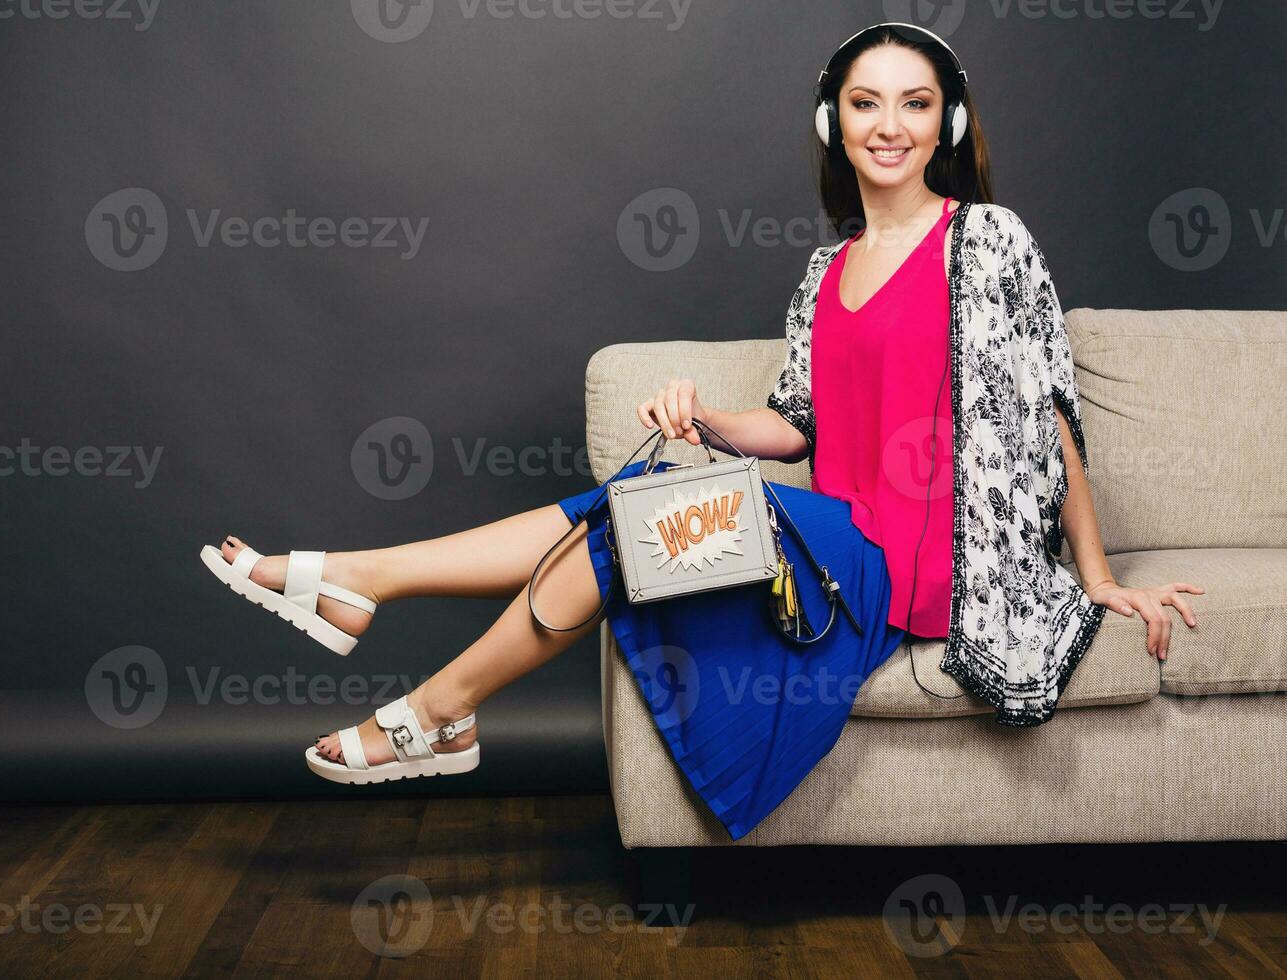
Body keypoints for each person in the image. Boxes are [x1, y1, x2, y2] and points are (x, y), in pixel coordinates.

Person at [200, 23, 1203, 841]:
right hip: (830, 537)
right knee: (628, 515)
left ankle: (423, 681)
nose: (888, 125)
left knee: (639, 523)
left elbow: (1045, 413)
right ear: (831, 120)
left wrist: (1094, 569)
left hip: (912, 569)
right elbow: (797, 425)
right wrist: (707, 420)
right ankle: (382, 614)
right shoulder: (824, 273)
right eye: (865, 102)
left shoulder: (984, 239)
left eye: (914, 102)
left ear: (946, 122)